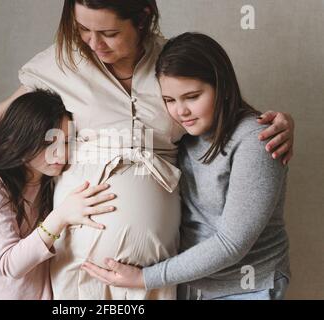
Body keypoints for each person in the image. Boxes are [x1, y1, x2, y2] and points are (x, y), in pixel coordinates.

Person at [0, 1, 294, 300]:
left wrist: (271, 124)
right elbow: (0, 118)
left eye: (110, 33)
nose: (93, 43)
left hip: (158, 263)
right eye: (83, 29)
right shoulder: (63, 62)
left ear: (144, 17)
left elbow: (215, 111)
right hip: (76, 257)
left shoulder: (172, 61)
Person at [81, 32, 291, 300]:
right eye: (170, 100)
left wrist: (145, 278)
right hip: (192, 284)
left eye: (192, 96)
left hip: (247, 286)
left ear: (222, 86)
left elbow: (232, 244)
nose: (181, 111)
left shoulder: (255, 141)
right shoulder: (183, 137)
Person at [0, 90, 117, 299]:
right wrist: (60, 216)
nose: (61, 154)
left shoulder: (52, 182)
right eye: (49, 143)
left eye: (66, 142)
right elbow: (11, 265)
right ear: (22, 140)